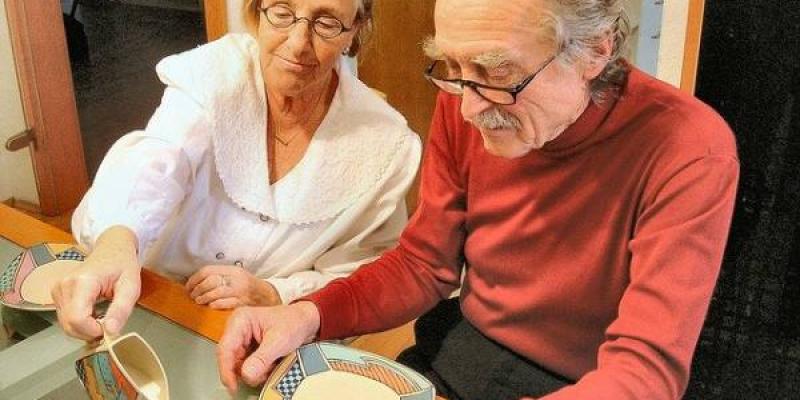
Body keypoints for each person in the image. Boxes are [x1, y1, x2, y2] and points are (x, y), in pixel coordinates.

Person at [216, 0, 739, 399]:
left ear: (596, 50)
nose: (467, 109)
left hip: (588, 379)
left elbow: (645, 368)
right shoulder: (468, 94)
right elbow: (424, 264)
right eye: (451, 68)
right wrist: (307, 314)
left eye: (500, 73)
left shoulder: (687, 148)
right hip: (465, 344)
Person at [51, 0, 421, 341]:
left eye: (325, 22)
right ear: (256, 11)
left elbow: (363, 273)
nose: (297, 43)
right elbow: (159, 157)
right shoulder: (214, 74)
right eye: (281, 11)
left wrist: (273, 293)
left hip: (265, 335)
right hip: (146, 296)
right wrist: (117, 242)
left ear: (354, 29)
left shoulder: (386, 144)